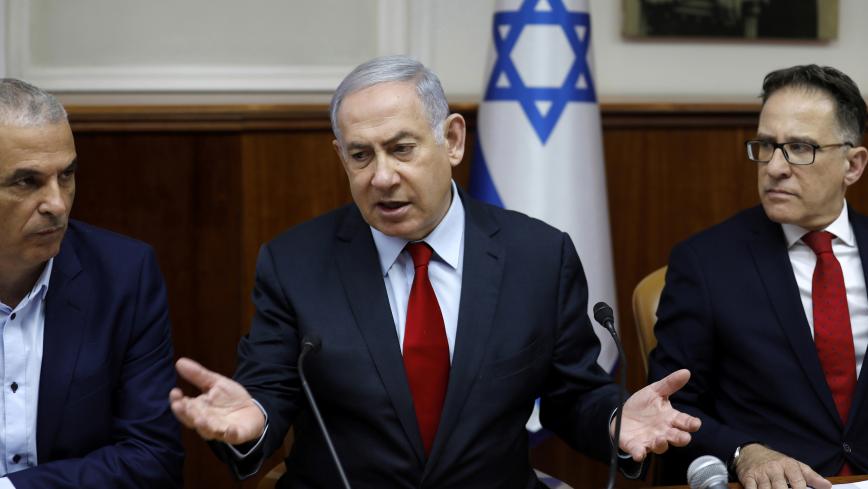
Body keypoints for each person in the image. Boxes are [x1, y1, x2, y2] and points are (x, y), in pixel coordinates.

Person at [170, 55, 700, 488]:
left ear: (451, 140)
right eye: (360, 156)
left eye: (401, 149)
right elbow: (269, 390)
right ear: (341, 157)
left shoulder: (538, 256)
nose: (381, 176)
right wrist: (251, 424)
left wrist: (614, 420)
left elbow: (572, 395)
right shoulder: (295, 263)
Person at [648, 64, 868, 489]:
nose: (774, 168)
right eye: (766, 146)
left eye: (800, 148)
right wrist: (743, 452)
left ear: (853, 165)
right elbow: (671, 405)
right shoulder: (706, 263)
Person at [0, 79, 184, 488]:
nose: (57, 204)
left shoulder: (123, 274)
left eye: (66, 175)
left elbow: (153, 456)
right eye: (26, 182)